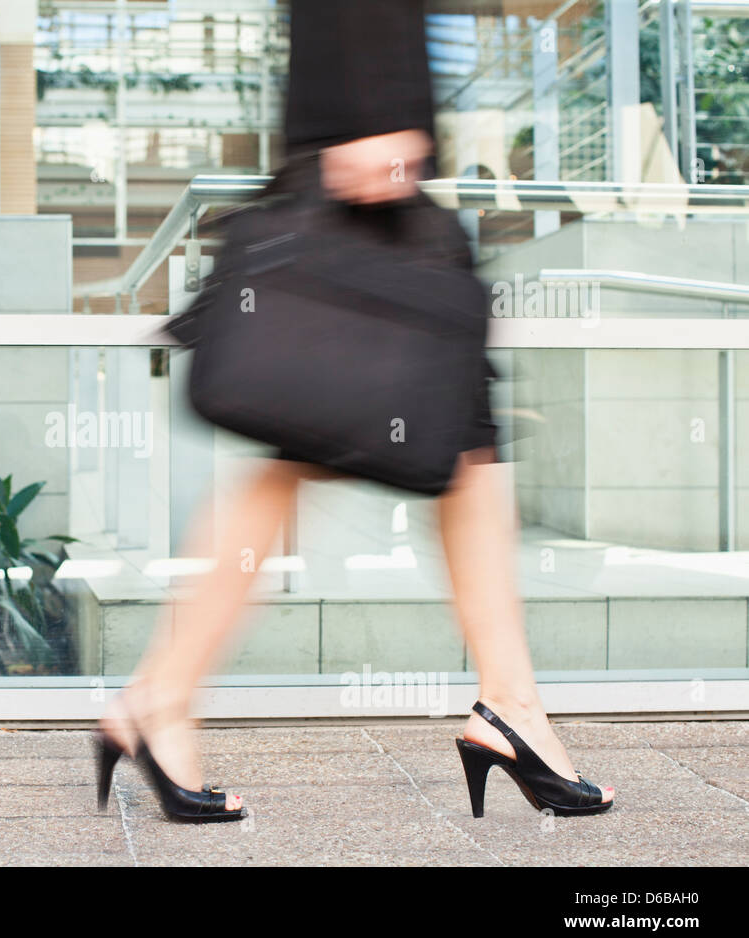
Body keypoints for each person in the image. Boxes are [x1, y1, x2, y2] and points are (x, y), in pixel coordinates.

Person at [95, 0, 614, 823]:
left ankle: (161, 700)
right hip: (366, 154)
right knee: (394, 435)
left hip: (361, 146)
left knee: (433, 442)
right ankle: (161, 699)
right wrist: (376, 119)